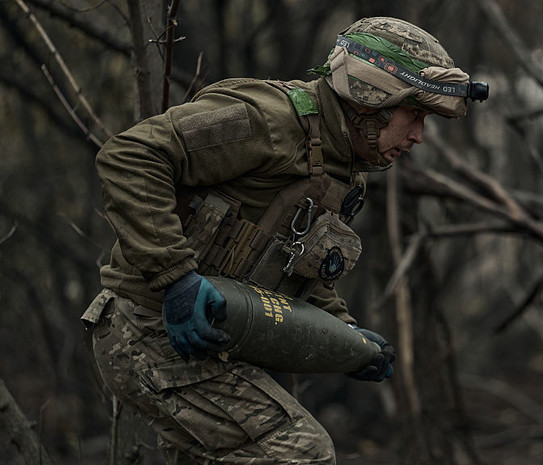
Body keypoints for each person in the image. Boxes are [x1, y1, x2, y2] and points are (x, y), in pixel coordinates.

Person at [82, 16, 487, 464]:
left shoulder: (343, 169)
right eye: (416, 114)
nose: (418, 136)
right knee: (302, 452)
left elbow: (303, 266)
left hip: (222, 341)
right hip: (149, 329)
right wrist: (176, 277)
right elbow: (131, 156)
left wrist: (345, 334)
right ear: (374, 95)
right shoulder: (269, 119)